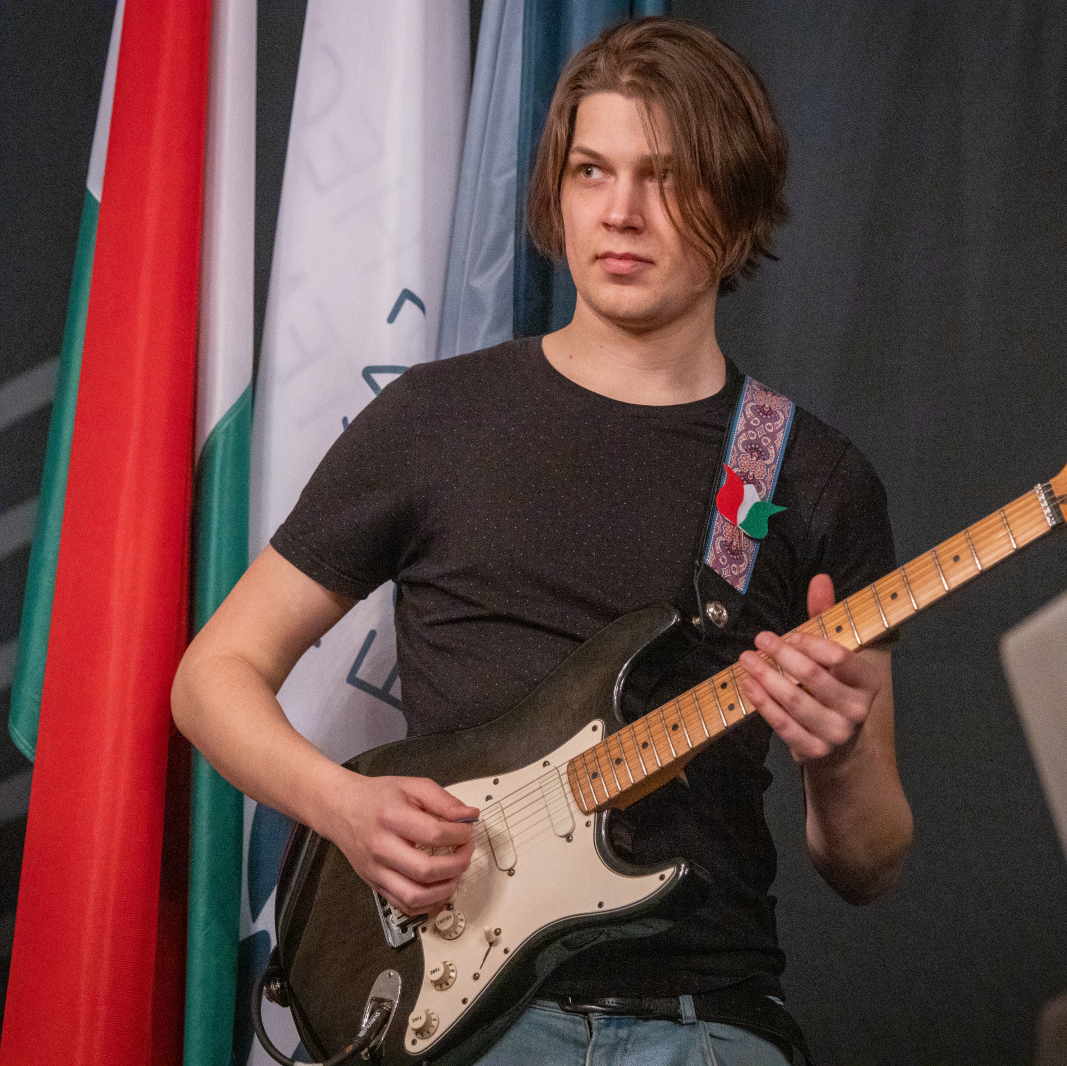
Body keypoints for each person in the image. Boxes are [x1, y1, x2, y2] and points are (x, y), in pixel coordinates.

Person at [173, 16, 912, 1065]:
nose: (620, 211)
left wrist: (835, 760)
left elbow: (869, 861)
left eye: (666, 177)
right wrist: (344, 806)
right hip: (461, 1024)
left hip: (707, 1019)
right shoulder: (433, 420)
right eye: (591, 170)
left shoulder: (811, 476)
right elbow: (213, 676)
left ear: (739, 202)